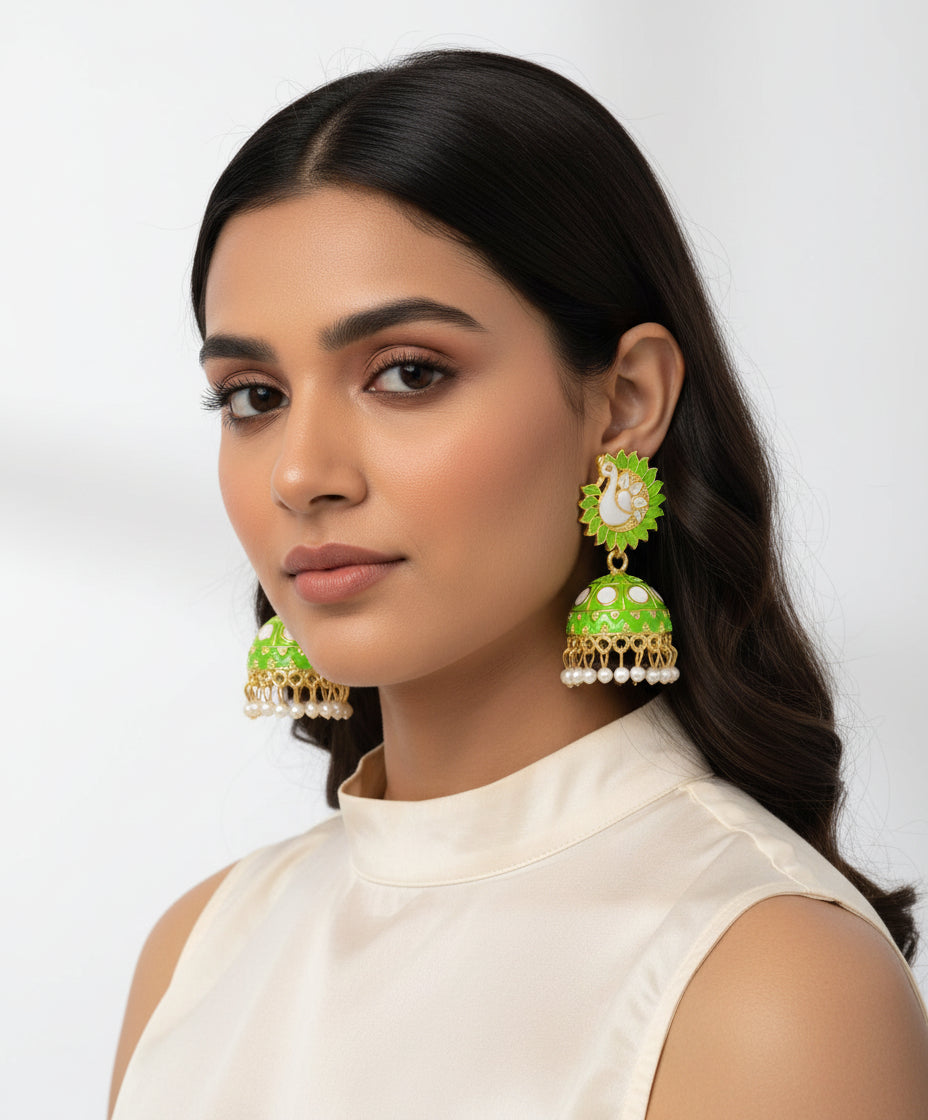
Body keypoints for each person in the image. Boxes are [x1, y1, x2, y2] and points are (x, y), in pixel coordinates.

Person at [107, 48, 928, 1119]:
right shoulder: (197, 950)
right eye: (253, 395)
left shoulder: (764, 984)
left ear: (625, 401)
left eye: (408, 373)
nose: (301, 473)